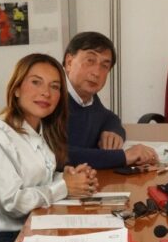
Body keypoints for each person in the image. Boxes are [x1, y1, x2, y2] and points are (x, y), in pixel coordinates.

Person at [0, 53, 97, 242]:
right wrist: (64, 187)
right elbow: (12, 202)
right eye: (36, 82)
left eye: (55, 86)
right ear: (16, 89)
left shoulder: (40, 126)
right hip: (3, 240)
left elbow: (35, 179)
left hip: (37, 225)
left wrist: (68, 178)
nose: (46, 93)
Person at [63, 31, 158, 169]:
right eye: (90, 60)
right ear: (69, 62)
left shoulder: (88, 97)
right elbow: (56, 154)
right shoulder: (52, 96)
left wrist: (113, 131)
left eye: (104, 66)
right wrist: (123, 157)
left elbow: (109, 117)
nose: (96, 73)